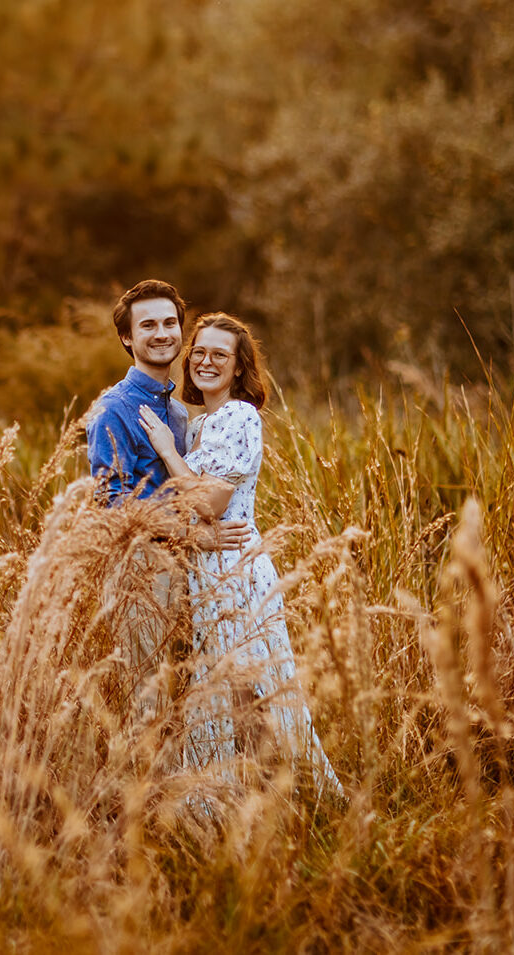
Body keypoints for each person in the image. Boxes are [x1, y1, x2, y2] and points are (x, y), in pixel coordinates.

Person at [137, 312, 341, 792]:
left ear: (238, 366)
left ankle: (280, 792)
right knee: (220, 684)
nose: (206, 362)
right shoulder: (200, 422)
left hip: (236, 566)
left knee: (247, 687)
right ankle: (237, 791)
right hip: (206, 565)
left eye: (220, 355)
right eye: (200, 353)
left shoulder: (238, 416)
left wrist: (168, 451)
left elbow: (208, 503)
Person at [85, 281, 248, 713]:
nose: (162, 333)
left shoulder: (177, 412)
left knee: (188, 701)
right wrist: (191, 536)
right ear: (127, 337)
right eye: (148, 325)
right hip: (141, 571)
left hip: (190, 571)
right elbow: (111, 505)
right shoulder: (113, 409)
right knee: (148, 702)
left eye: (170, 323)